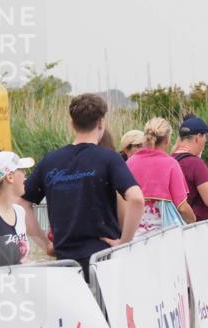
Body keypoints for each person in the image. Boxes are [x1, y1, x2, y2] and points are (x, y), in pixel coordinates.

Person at [20, 94, 145, 281]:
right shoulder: (109, 158)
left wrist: (44, 243)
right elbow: (136, 198)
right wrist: (124, 242)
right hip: (102, 258)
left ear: (72, 123)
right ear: (101, 122)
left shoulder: (51, 161)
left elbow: (22, 201)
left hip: (65, 260)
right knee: (103, 310)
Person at [127, 117, 196, 234]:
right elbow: (182, 207)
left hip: (134, 233)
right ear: (167, 139)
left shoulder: (129, 163)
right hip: (162, 235)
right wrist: (193, 221)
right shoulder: (171, 164)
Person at [172, 114, 208, 221]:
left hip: (176, 224)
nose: (206, 142)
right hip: (198, 225)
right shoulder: (196, 164)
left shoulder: (170, 159)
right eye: (206, 137)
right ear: (198, 137)